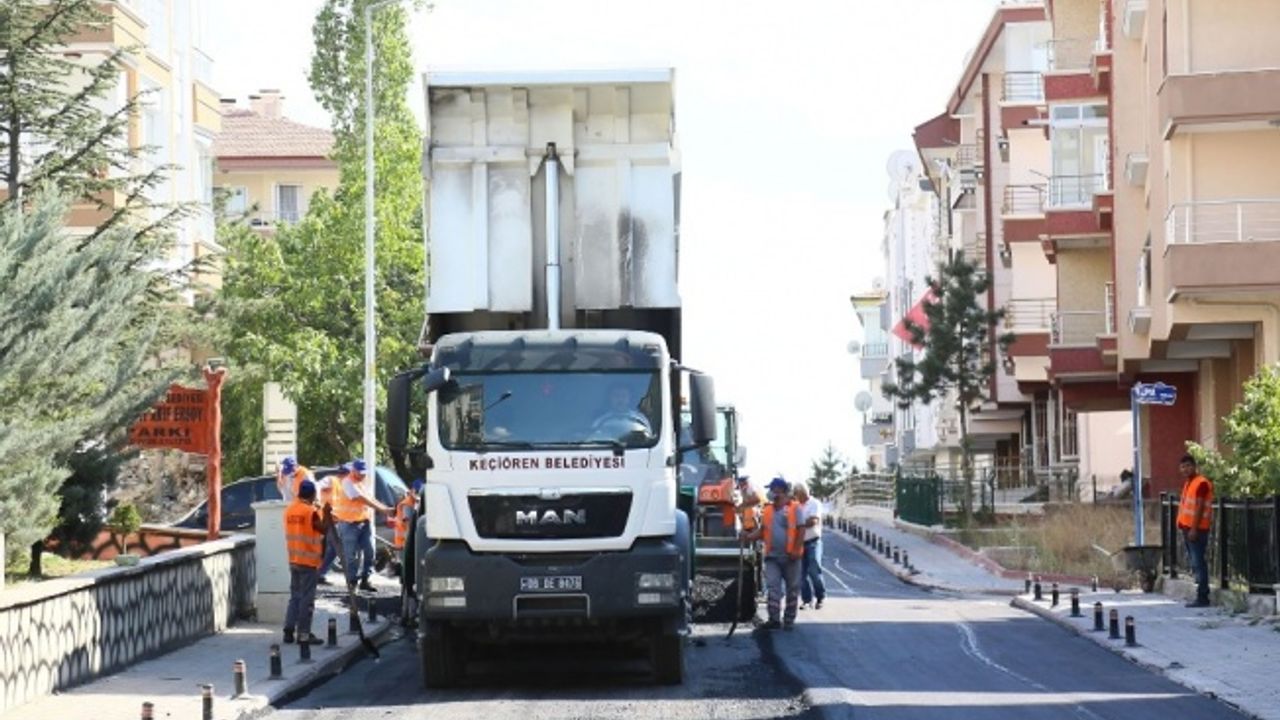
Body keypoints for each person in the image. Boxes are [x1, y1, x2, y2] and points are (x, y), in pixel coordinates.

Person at [742, 476, 803, 630]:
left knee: (792, 589)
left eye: (773, 489)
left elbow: (801, 530)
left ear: (781, 490)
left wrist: (796, 549)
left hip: (791, 557)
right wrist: (748, 537)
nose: (770, 492)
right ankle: (774, 619)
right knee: (773, 588)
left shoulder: (795, 508)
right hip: (772, 557)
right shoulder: (768, 510)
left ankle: (789, 619)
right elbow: (762, 531)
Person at [331, 459, 393, 593]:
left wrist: (385, 508)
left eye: (364, 473)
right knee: (351, 555)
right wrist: (382, 510)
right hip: (349, 523)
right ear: (353, 470)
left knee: (370, 551)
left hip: (365, 522)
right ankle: (352, 582)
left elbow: (370, 498)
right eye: (360, 473)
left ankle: (366, 579)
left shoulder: (363, 481)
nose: (363, 475)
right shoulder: (347, 482)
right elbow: (360, 498)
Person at [283, 479, 329, 645]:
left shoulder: (290, 510)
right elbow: (323, 528)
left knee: (295, 596)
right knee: (306, 599)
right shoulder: (310, 512)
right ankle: (303, 634)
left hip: (293, 559)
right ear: (312, 494)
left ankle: (288, 631)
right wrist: (327, 514)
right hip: (308, 561)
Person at [1176, 454, 1214, 608]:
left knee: (1199, 563)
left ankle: (1203, 597)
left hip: (1197, 530)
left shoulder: (1201, 483)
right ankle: (1201, 595)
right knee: (1195, 563)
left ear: (1194, 466)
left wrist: (1194, 528)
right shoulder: (1189, 483)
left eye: (1188, 466)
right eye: (1183, 467)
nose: (1185, 469)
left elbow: (1199, 507)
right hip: (1188, 528)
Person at [793, 481, 827, 610]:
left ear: (803, 493)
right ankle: (806, 600)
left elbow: (813, 521)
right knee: (801, 574)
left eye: (797, 494)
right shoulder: (796, 506)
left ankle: (820, 596)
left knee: (814, 570)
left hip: (813, 541)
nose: (796, 497)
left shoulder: (814, 504)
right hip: (800, 542)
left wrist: (799, 524)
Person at [316, 463, 348, 586]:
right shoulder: (331, 480)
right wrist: (318, 501)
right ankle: (320, 573)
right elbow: (317, 486)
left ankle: (320, 573)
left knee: (332, 549)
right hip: (326, 518)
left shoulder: (343, 485)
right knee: (333, 547)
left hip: (334, 519)